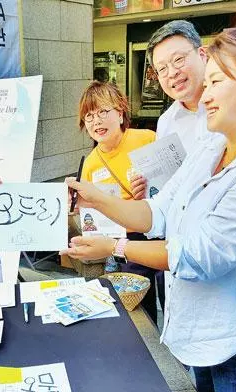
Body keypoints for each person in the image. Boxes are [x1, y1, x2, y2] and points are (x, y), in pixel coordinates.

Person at [63, 28, 236, 392]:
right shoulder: (213, 145)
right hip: (203, 329)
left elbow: (198, 255)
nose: (207, 95)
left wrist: (115, 248)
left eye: (216, 81)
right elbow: (157, 212)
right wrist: (93, 197)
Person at [131, 20, 216, 316]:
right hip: (179, 247)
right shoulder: (167, 122)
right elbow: (167, 189)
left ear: (202, 55)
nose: (172, 73)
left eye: (178, 60)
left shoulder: (232, 108)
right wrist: (146, 191)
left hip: (222, 243)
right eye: (162, 68)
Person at [76, 80, 159, 322]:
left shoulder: (147, 139)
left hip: (163, 230)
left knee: (172, 295)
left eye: (103, 112)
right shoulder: (91, 164)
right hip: (128, 240)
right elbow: (93, 215)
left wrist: (149, 187)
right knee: (140, 309)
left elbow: (176, 183)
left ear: (121, 114)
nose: (96, 121)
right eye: (89, 116)